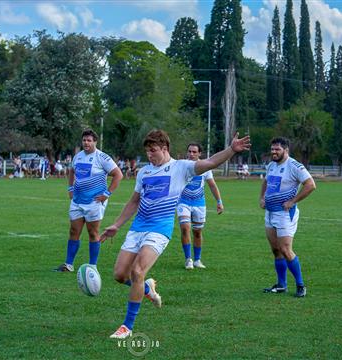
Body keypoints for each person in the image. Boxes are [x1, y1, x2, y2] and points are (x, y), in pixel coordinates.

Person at [100, 129, 250, 338]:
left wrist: (231, 150)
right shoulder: (144, 172)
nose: (149, 155)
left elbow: (210, 163)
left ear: (165, 148)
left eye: (153, 151)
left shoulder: (181, 168)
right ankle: (147, 289)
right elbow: (134, 201)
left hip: (160, 229)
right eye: (147, 152)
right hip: (137, 228)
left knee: (137, 271)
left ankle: (127, 326)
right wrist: (117, 225)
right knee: (119, 275)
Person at [55, 129, 123, 272]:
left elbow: (118, 175)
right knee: (74, 231)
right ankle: (68, 264)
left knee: (93, 233)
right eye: (84, 140)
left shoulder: (102, 157)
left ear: (95, 142)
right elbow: (72, 171)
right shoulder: (78, 157)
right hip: (77, 201)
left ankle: (92, 265)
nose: (86, 143)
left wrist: (107, 193)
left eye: (89, 140)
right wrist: (70, 188)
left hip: (94, 202)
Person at [260, 137, 316, 298]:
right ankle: (281, 285)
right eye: (272, 149)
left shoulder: (294, 166)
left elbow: (311, 184)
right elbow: (266, 182)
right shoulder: (271, 165)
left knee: (285, 249)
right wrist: (262, 198)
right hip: (270, 213)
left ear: (286, 150)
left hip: (284, 214)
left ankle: (300, 285)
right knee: (276, 250)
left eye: (277, 149)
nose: (274, 152)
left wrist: (292, 201)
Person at [177, 143, 224, 270]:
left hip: (199, 204)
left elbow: (212, 185)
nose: (191, 154)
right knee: (185, 228)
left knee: (197, 232)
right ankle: (188, 259)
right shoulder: (182, 165)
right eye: (189, 151)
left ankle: (197, 259)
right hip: (183, 202)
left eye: (194, 152)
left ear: (199, 153)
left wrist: (219, 201)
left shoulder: (205, 168)